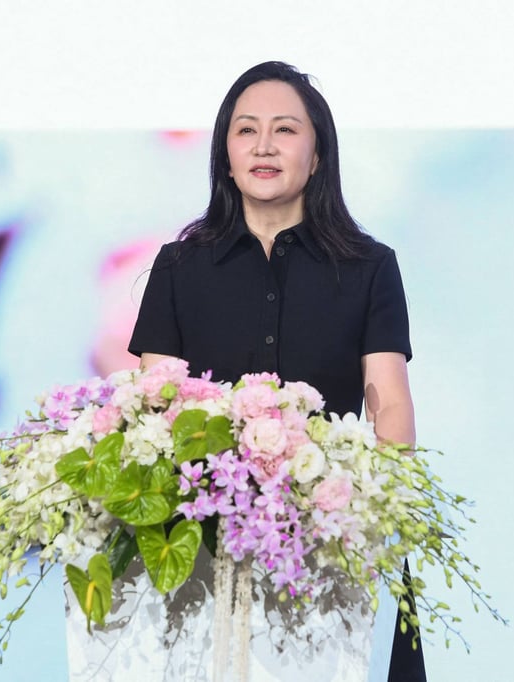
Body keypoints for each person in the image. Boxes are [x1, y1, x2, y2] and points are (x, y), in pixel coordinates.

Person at [127, 61, 426, 681]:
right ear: (225, 155)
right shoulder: (179, 268)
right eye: (246, 131)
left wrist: (383, 512)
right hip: (204, 548)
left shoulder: (370, 267)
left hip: (328, 543)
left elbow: (389, 403)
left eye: (285, 129)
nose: (264, 145)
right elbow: (152, 410)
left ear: (317, 156)